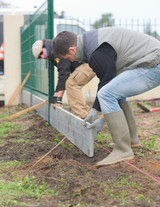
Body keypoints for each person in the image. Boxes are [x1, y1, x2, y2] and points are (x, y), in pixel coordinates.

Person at [53, 27, 160, 167]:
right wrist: (94, 111)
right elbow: (106, 79)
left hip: (153, 64)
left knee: (107, 94)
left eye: (68, 58)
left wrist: (100, 119)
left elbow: (106, 83)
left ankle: (123, 150)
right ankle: (132, 140)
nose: (72, 61)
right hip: (152, 60)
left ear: (72, 50)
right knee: (114, 93)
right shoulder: (90, 43)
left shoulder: (96, 52)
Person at [32, 39, 96, 119]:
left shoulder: (56, 49)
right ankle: (84, 114)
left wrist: (58, 98)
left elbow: (64, 74)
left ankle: (83, 116)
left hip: (90, 62)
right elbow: (62, 74)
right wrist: (56, 94)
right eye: (40, 57)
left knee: (72, 83)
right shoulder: (52, 51)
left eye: (41, 53)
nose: (42, 57)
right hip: (88, 62)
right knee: (72, 83)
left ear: (44, 46)